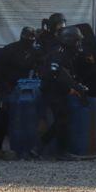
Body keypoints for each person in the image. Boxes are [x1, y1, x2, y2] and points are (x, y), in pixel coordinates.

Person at [36, 26, 89, 161]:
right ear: (70, 41)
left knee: (62, 120)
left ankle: (40, 147)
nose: (78, 44)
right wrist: (69, 89)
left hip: (57, 90)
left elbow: (67, 75)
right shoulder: (58, 54)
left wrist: (75, 86)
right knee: (62, 119)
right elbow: (55, 75)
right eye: (77, 41)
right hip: (52, 91)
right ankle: (59, 151)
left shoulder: (65, 52)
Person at [0, 27, 40, 152]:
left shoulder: (34, 52)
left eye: (32, 38)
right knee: (4, 117)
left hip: (25, 89)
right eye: (29, 37)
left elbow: (38, 68)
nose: (30, 40)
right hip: (7, 87)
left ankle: (24, 146)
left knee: (23, 118)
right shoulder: (10, 50)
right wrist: (1, 87)